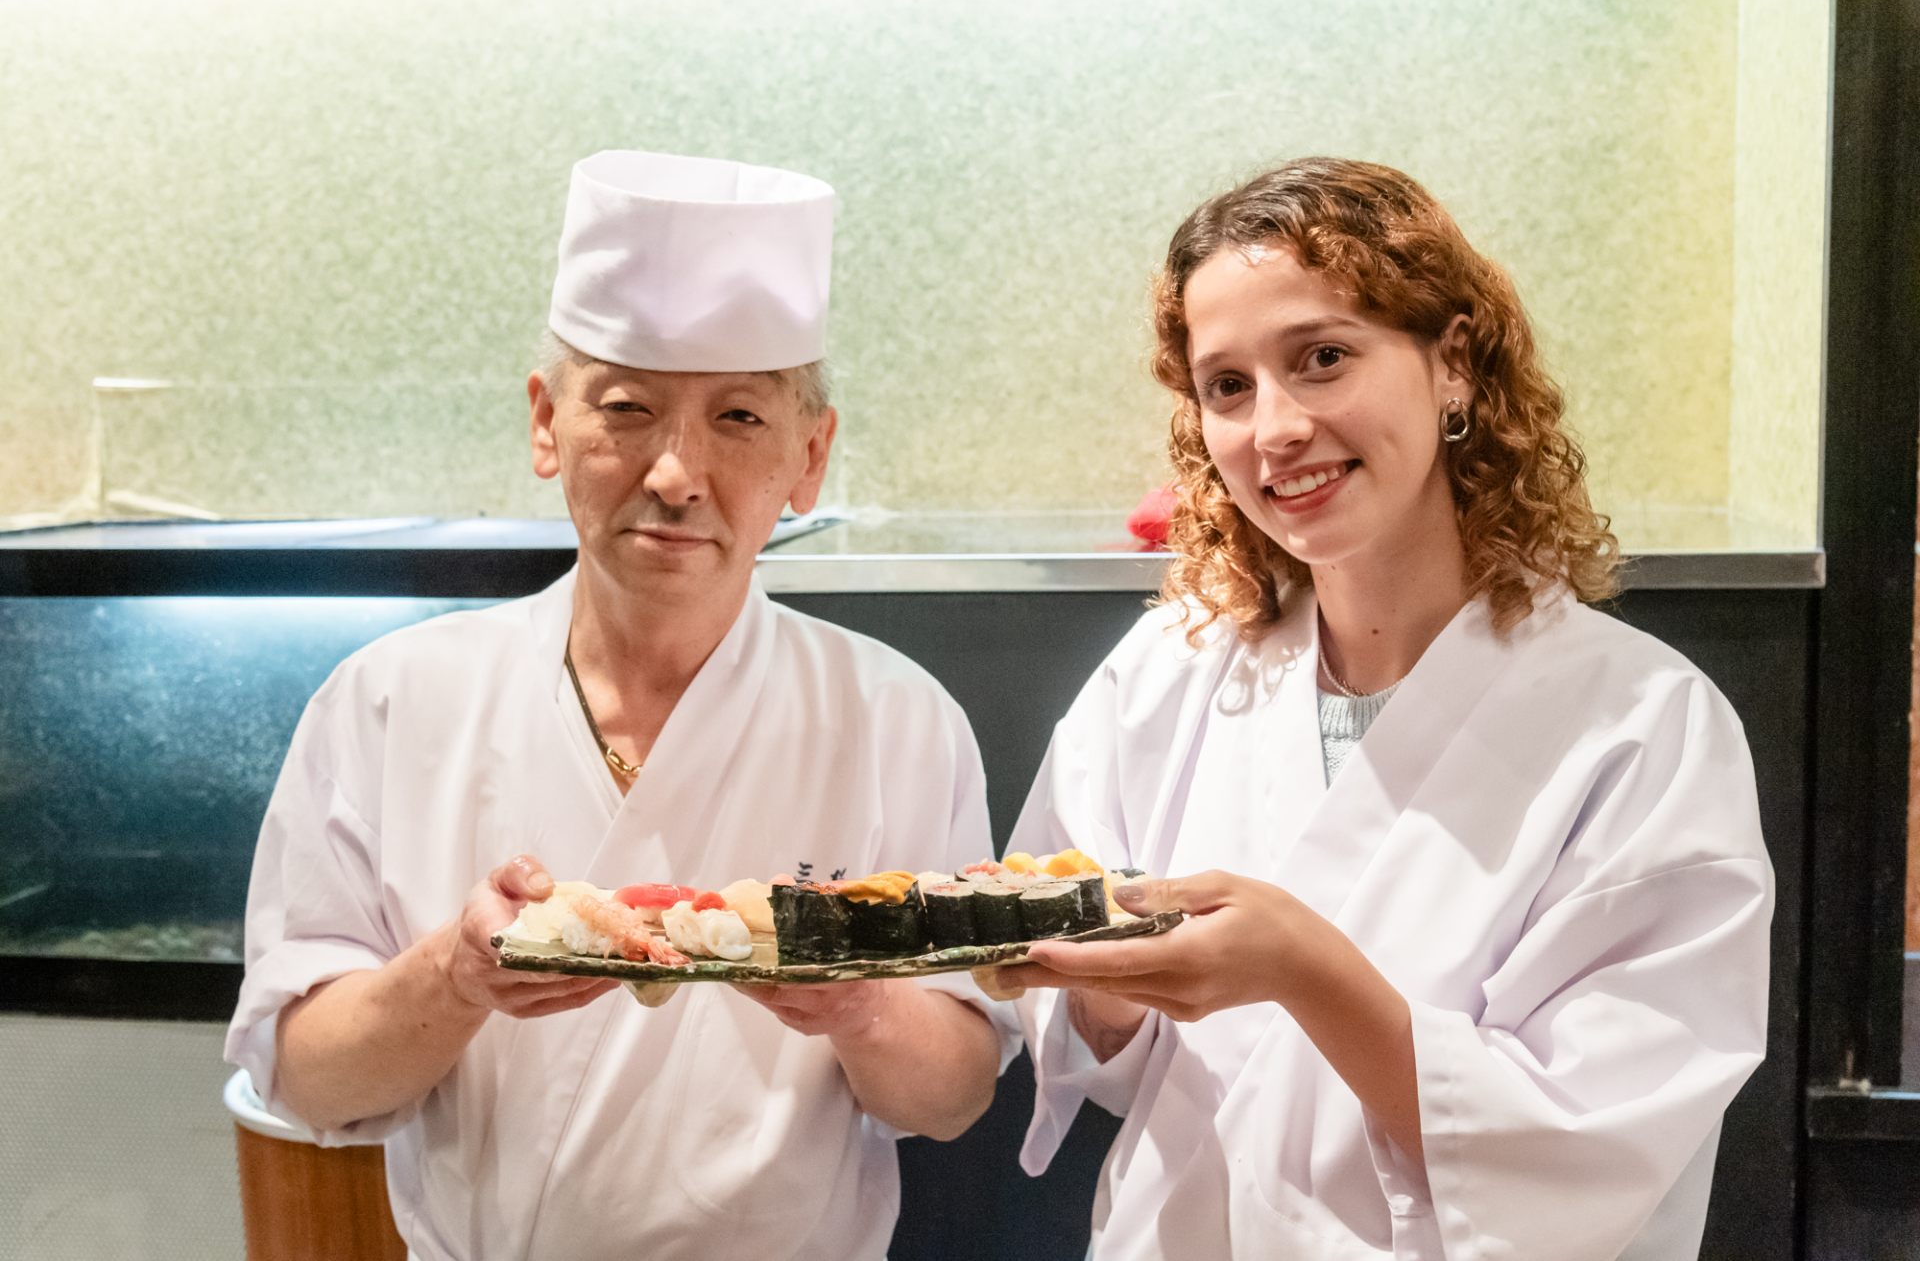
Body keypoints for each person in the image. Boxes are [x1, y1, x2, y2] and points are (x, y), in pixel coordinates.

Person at [224, 149, 1012, 1261]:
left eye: (740, 418)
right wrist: (456, 974)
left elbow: (955, 1096)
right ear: (547, 424)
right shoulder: (393, 700)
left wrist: (852, 1000)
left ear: (810, 455)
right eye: (628, 408)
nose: (677, 473)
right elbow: (305, 1077)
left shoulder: (894, 716)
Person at [1000, 158, 1773, 1259]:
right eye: (1228, 386)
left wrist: (1300, 969)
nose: (1273, 428)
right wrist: (1102, 992)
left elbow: (1591, 1141)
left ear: (1453, 363)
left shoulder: (1642, 727)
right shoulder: (1167, 675)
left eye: (1322, 359)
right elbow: (1083, 1034)